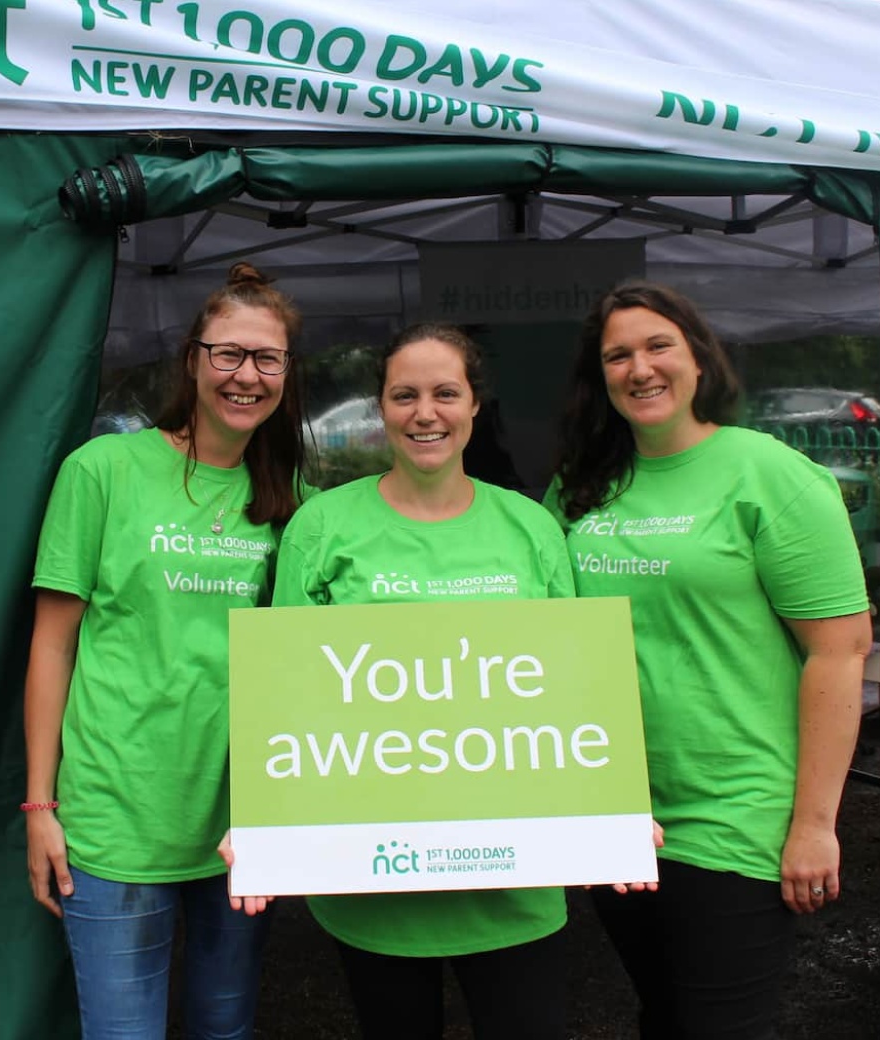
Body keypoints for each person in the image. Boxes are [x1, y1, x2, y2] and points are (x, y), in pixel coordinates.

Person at [547, 282, 872, 1040]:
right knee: (663, 1016)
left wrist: (815, 824)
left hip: (735, 812)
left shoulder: (772, 475)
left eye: (658, 345)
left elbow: (839, 650)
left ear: (699, 358)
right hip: (622, 812)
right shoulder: (580, 488)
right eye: (617, 356)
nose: (640, 368)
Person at [266, 323, 579, 1040]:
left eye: (445, 393)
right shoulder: (321, 526)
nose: (424, 412)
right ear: (381, 407)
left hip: (513, 875)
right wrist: (266, 823)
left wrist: (610, 810)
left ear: (475, 405)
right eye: (404, 395)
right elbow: (290, 698)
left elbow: (570, 689)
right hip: (375, 876)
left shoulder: (531, 527)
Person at [22, 262, 307, 1040]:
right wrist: (40, 807)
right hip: (115, 813)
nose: (246, 375)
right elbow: (52, 644)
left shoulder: (293, 501)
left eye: (267, 358)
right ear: (192, 359)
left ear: (287, 373)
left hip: (241, 819)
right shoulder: (103, 470)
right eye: (228, 353)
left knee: (226, 1027)